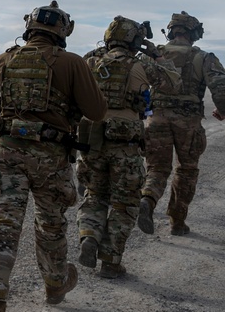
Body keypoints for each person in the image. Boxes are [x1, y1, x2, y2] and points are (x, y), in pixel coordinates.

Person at [0, 1, 107, 312]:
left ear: (29, 28)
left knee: (3, 227)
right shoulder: (73, 64)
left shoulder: (3, 60)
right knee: (50, 227)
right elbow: (97, 112)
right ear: (62, 31)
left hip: (7, 154)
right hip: (51, 159)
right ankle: (55, 285)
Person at [76, 16, 181, 279]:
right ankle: (111, 262)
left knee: (94, 195)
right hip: (126, 143)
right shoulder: (141, 63)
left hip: (92, 139)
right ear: (134, 40)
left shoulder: (90, 60)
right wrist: (155, 53)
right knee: (125, 203)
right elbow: (173, 81)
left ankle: (88, 236)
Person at [137, 11, 225, 237]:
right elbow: (222, 88)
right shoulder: (204, 57)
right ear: (193, 34)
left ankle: (148, 200)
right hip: (188, 123)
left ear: (170, 31)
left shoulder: (154, 54)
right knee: (187, 170)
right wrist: (223, 110)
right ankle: (177, 222)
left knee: (157, 169)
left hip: (156, 119)